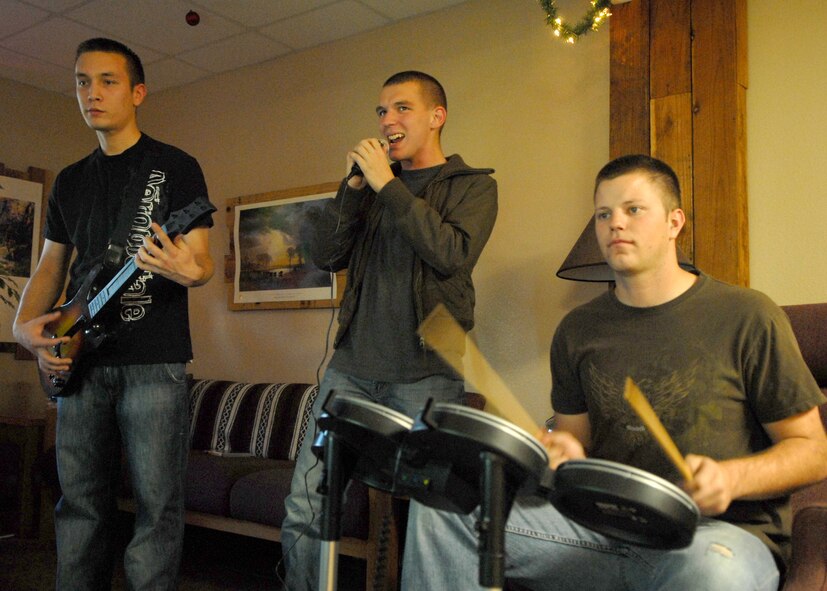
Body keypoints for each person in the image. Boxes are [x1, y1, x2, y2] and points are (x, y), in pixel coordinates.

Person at [401, 154, 827, 591]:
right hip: (601, 527)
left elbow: (813, 452)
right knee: (442, 508)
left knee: (713, 571)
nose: (614, 224)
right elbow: (575, 439)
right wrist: (561, 448)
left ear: (674, 222)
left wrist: (732, 477)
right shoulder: (578, 329)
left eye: (633, 209)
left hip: (713, 537)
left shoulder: (748, 315)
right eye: (604, 214)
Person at [280, 70, 498, 589]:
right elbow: (326, 256)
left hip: (426, 375)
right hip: (350, 371)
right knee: (306, 502)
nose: (387, 121)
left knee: (435, 517)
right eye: (381, 111)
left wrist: (388, 185)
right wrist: (354, 189)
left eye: (401, 108)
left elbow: (450, 253)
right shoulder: (371, 190)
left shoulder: (474, 186)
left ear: (436, 117)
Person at [13, 38, 214, 590]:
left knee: (156, 509)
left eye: (107, 81)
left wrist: (185, 269)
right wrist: (24, 330)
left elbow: (201, 264)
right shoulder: (72, 180)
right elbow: (52, 268)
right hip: (79, 359)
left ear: (138, 92)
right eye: (82, 81)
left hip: (155, 363)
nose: (92, 93)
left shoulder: (174, 167)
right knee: (79, 507)